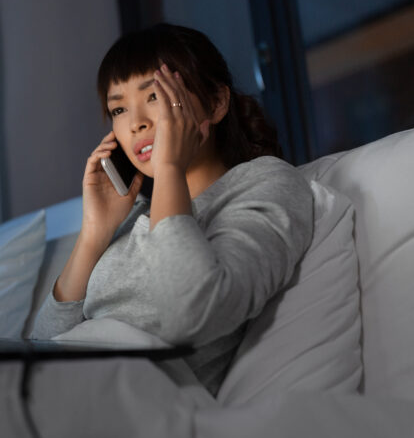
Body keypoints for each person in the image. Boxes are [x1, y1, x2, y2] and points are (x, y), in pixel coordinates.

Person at [32, 23, 313, 396]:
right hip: (62, 390)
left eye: (154, 96)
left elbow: (192, 313)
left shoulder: (265, 182)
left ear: (215, 103)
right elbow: (40, 346)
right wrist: (94, 233)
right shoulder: (135, 216)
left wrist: (168, 169)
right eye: (118, 108)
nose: (136, 124)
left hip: (137, 404)